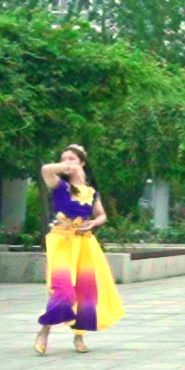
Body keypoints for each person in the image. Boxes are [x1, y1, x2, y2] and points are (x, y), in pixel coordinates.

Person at [35, 143, 125, 355]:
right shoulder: (58, 185)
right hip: (61, 241)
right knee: (62, 288)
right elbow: (45, 169)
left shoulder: (91, 191)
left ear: (83, 162)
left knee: (86, 290)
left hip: (85, 243)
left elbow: (101, 215)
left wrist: (94, 223)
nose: (65, 162)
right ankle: (44, 331)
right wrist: (67, 167)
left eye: (71, 158)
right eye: (63, 158)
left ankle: (79, 336)